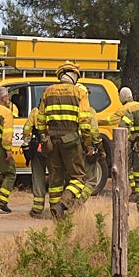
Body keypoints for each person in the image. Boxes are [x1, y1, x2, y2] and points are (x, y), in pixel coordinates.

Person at [39, 61, 92, 217]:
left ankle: (56, 215)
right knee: (79, 178)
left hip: (52, 141)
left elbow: (41, 121)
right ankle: (63, 204)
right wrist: (88, 144)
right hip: (72, 140)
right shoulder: (79, 93)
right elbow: (85, 123)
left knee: (55, 179)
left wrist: (45, 139)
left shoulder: (48, 92)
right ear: (74, 76)